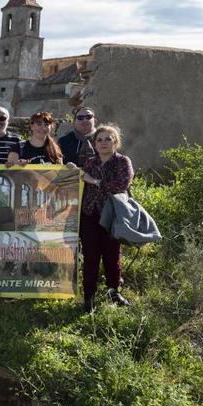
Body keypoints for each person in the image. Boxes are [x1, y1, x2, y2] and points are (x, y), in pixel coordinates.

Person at [79, 125, 133, 313]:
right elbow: (80, 182)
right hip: (89, 215)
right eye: (99, 140)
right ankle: (89, 296)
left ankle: (113, 291)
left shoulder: (122, 162)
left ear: (115, 142)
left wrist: (93, 181)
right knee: (90, 256)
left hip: (112, 215)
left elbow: (120, 185)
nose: (103, 143)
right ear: (94, 143)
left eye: (108, 139)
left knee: (112, 255)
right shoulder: (90, 162)